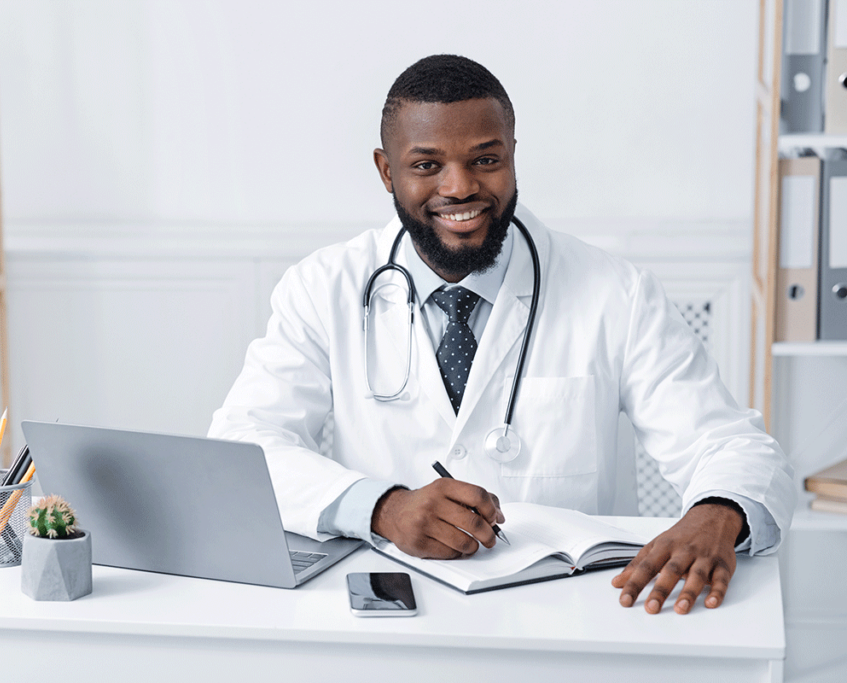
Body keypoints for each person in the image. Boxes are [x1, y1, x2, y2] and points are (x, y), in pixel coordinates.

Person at [208, 55, 795, 615]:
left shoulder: (617, 292)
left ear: (514, 155)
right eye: (427, 165)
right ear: (387, 171)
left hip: (577, 619)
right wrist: (381, 507)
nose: (460, 187)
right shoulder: (323, 287)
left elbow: (731, 445)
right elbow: (245, 445)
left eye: (486, 160)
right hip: (393, 615)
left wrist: (718, 511)